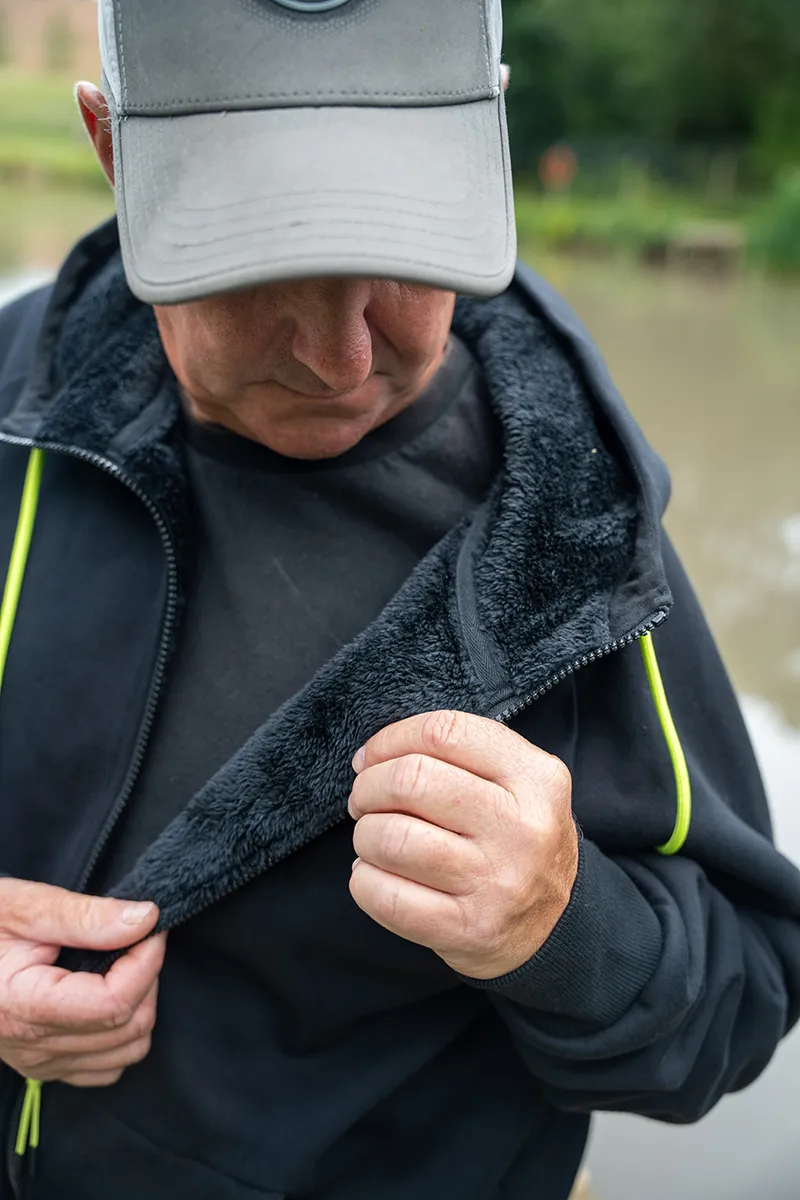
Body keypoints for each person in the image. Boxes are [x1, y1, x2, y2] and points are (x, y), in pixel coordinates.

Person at [0, 1, 798, 1197]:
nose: (342, 359)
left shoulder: (578, 539)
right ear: (113, 147)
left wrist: (563, 927)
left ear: (486, 134)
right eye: (258, 259)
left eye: (404, 250)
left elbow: (744, 998)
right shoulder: (14, 391)